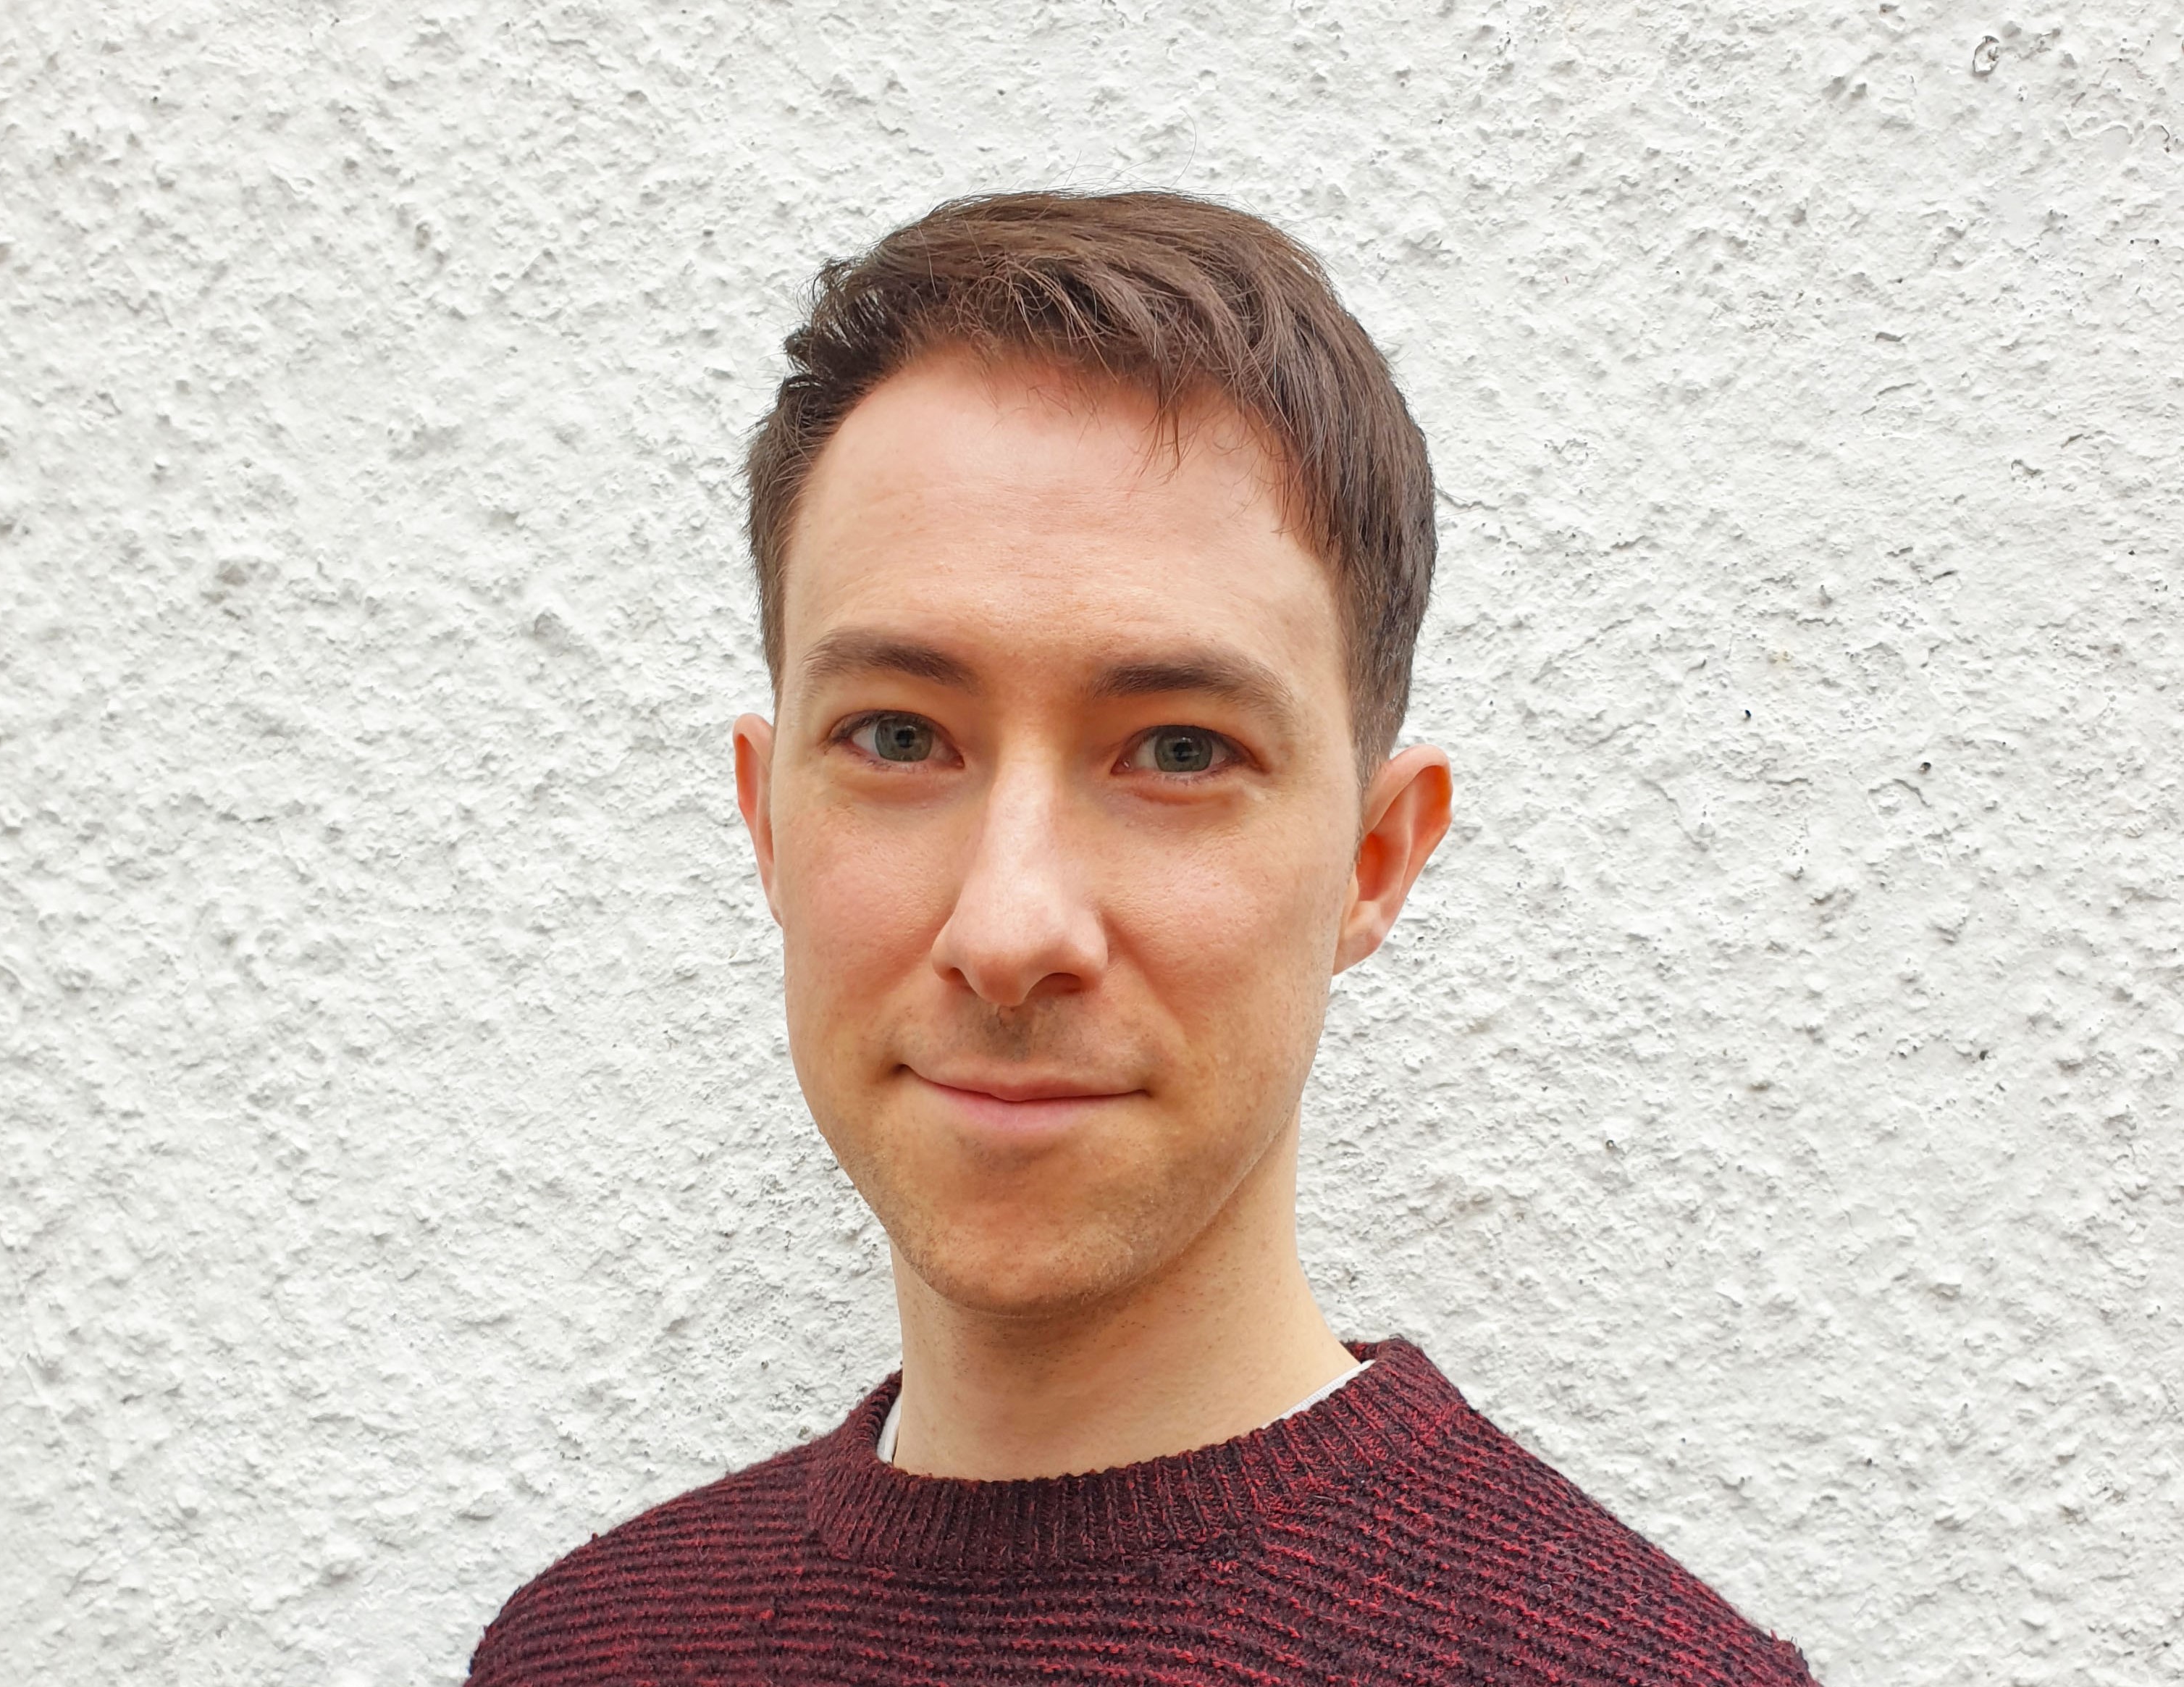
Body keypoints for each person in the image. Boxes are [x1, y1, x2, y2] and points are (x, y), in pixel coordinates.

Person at [466, 190, 1817, 1686]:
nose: (1010, 927)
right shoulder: (572, 1652)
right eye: (900, 735)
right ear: (768, 820)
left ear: (1373, 859)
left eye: (1179, 751)